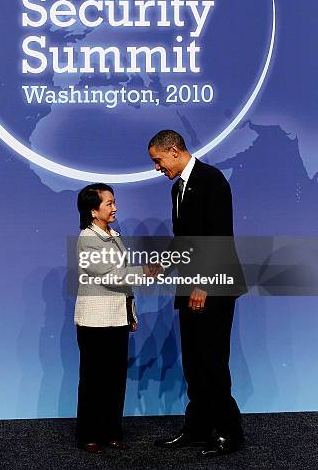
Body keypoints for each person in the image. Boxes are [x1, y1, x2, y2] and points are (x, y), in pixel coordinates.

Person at [148, 129, 246, 457]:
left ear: (174, 151)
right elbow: (184, 237)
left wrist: (204, 283)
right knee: (193, 361)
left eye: (158, 160)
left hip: (212, 288)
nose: (157, 167)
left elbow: (219, 235)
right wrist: (164, 262)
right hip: (189, 286)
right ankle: (198, 428)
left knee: (212, 361)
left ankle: (228, 434)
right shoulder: (178, 187)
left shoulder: (211, 179)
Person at [74, 183, 160, 453]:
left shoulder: (115, 236)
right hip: (95, 321)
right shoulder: (87, 238)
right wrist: (144, 271)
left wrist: (130, 313)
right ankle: (89, 434)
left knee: (115, 379)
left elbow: (122, 284)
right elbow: (108, 274)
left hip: (117, 318)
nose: (115, 207)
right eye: (109, 203)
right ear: (92, 210)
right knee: (93, 379)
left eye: (114, 202)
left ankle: (112, 430)